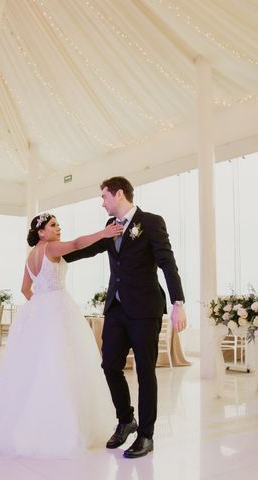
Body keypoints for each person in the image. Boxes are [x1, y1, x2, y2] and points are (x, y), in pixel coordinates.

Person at [0, 213, 124, 458]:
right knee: (63, 365)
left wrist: (40, 305)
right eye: (53, 225)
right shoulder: (51, 248)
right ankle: (61, 428)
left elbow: (24, 289)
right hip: (59, 310)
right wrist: (103, 234)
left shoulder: (30, 256)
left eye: (59, 224)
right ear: (41, 232)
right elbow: (76, 245)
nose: (58, 228)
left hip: (41, 312)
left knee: (38, 368)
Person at [64, 176, 186, 459]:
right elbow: (91, 248)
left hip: (145, 310)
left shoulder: (152, 222)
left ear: (119, 194)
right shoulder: (111, 227)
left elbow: (167, 263)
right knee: (109, 365)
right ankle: (126, 419)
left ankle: (146, 435)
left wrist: (178, 302)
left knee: (145, 372)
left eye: (104, 196)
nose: (102, 202)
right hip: (116, 311)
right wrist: (54, 254)